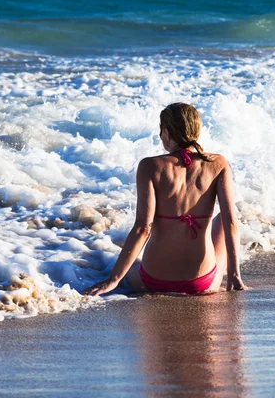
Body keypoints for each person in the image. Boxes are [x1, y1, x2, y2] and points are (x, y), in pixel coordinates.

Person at [83, 103, 245, 296]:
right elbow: (232, 223)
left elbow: (143, 229)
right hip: (201, 282)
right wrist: (234, 275)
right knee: (221, 220)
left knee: (129, 268)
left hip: (154, 281)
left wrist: (113, 280)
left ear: (166, 132)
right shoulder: (217, 164)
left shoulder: (150, 166)